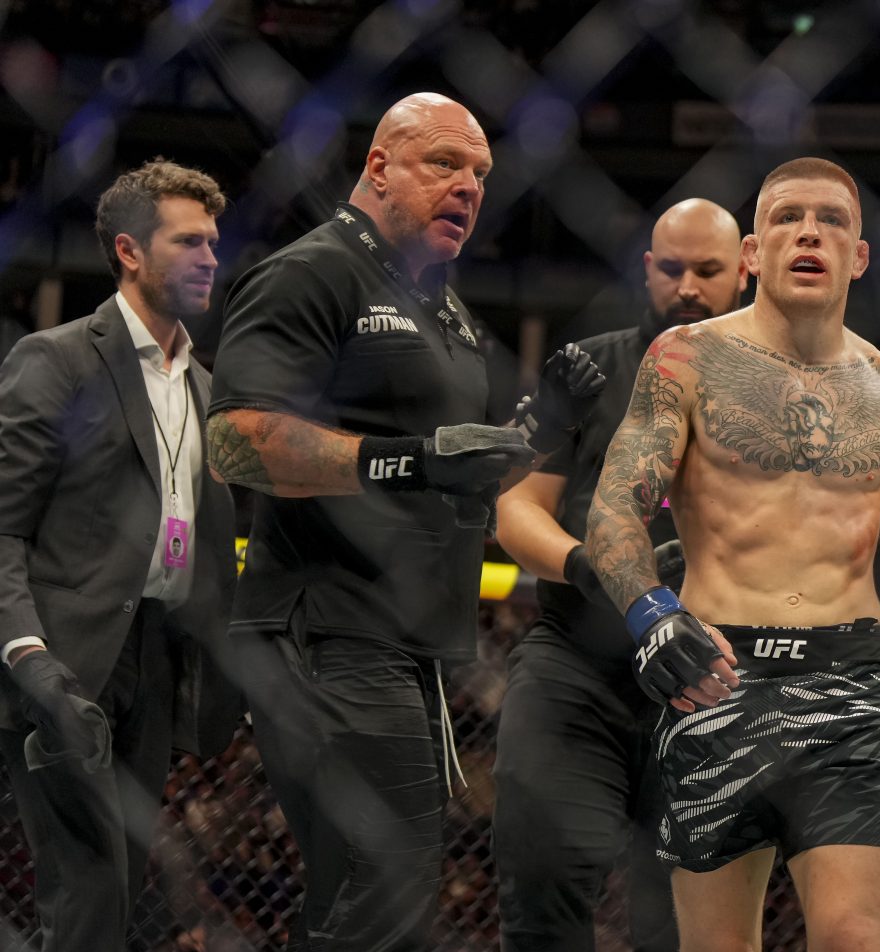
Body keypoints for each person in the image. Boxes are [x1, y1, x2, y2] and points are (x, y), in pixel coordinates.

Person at [206, 93, 602, 951]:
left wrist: (545, 426)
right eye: (444, 165)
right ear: (379, 166)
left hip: (410, 642)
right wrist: (407, 458)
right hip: (326, 631)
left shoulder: (447, 311)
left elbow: (456, 470)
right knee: (388, 883)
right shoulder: (311, 274)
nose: (468, 187)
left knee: (360, 890)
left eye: (482, 175)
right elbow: (233, 443)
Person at [584, 156, 880, 951]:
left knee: (855, 939)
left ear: (859, 256)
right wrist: (653, 612)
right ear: (753, 255)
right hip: (717, 679)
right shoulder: (685, 359)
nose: (809, 231)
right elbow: (613, 511)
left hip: (848, 689)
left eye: (832, 219)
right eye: (787, 217)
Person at [493, 197, 747, 951]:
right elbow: (516, 512)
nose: (689, 287)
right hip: (578, 659)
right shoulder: (591, 369)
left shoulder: (781, 392)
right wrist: (591, 565)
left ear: (745, 271)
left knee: (683, 925)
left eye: (708, 270)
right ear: (647, 270)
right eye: (672, 269)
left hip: (714, 679)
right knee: (540, 890)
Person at [0, 158, 240, 950]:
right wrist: (29, 656)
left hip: (158, 659)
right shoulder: (60, 359)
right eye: (189, 241)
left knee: (115, 889)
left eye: (214, 240)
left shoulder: (206, 389)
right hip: (60, 662)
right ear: (130, 251)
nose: (211, 256)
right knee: (89, 893)